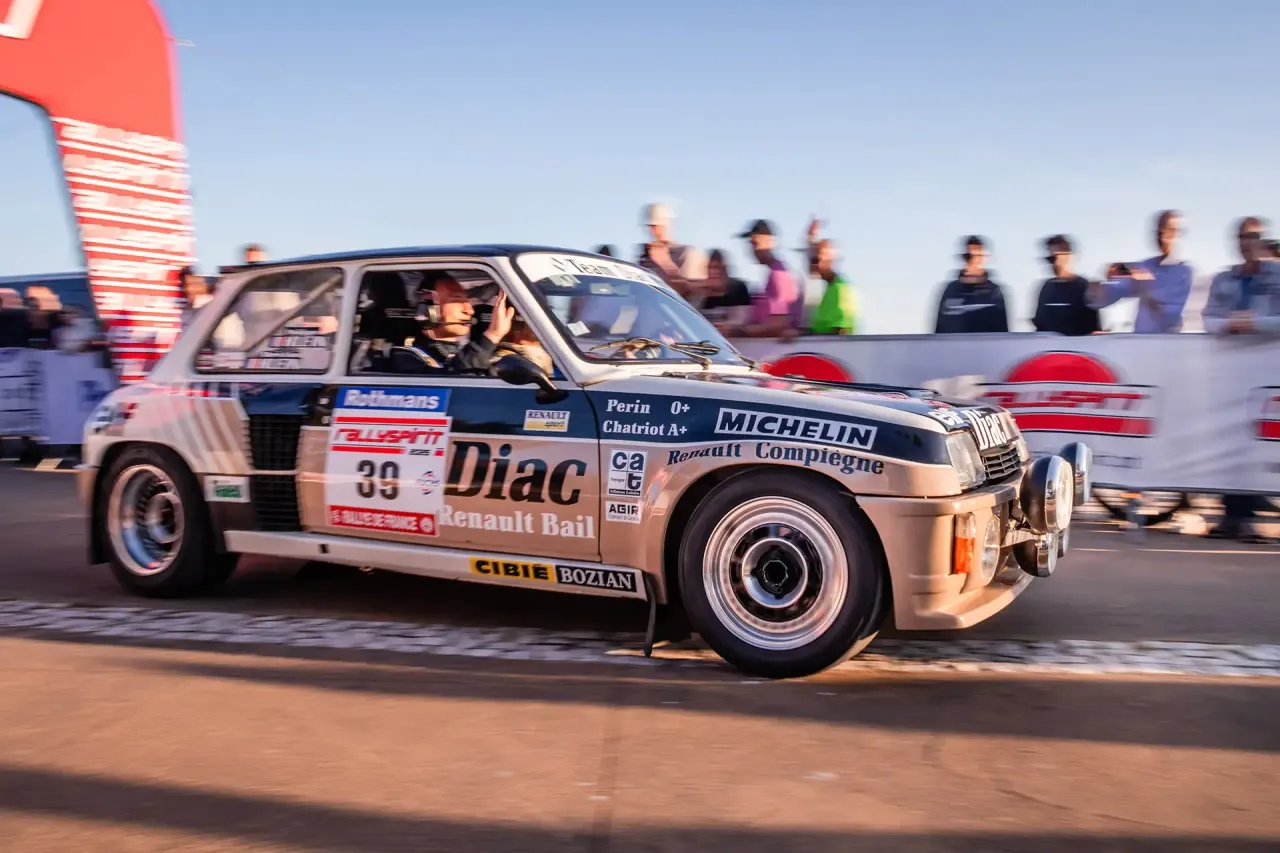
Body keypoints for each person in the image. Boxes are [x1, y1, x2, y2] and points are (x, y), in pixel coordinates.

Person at [1201, 217, 1280, 543]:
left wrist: (1255, 322)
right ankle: (1231, 517)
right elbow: (1209, 318)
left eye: (1253, 236)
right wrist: (1229, 324)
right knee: (1229, 441)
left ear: (1262, 240)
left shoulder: (1277, 275)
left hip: (1266, 372)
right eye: (1242, 237)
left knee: (1257, 442)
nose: (1247, 242)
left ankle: (1247, 517)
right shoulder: (1224, 278)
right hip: (1229, 372)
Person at [1089, 210, 1193, 333]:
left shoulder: (1186, 273)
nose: (1164, 236)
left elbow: (1170, 319)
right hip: (1141, 342)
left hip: (1173, 342)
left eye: (1171, 231)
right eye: (1161, 230)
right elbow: (1100, 299)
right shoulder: (1144, 266)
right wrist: (1099, 286)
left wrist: (1147, 290)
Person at [411, 274, 514, 373]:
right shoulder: (408, 359)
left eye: (467, 301)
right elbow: (454, 379)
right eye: (457, 300)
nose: (470, 311)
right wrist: (491, 336)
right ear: (427, 309)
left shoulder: (466, 352)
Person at [737, 219, 801, 338]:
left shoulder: (779, 276)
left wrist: (738, 331)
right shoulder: (774, 274)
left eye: (756, 243)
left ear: (771, 242)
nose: (753, 250)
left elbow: (778, 324)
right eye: (751, 244)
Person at [933, 236, 1009, 333]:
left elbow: (1003, 332)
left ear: (984, 258)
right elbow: (938, 330)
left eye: (978, 256)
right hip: (956, 343)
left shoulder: (994, 293)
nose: (973, 261)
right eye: (969, 256)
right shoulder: (950, 290)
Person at [1032, 235, 1101, 336]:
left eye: (1055, 258)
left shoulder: (1084, 287)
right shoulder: (1046, 288)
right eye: (1049, 259)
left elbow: (1094, 330)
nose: (1053, 264)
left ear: (1068, 256)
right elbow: (1040, 326)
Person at [636, 203, 705, 299]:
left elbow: (686, 293)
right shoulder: (646, 258)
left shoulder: (687, 253)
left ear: (667, 225)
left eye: (656, 226)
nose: (652, 231)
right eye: (650, 227)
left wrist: (664, 262)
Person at [804, 221, 857, 335]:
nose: (813, 265)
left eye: (816, 260)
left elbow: (840, 334)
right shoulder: (828, 289)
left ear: (830, 259)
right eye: (811, 260)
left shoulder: (840, 289)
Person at [696, 249, 752, 335]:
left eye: (718, 268)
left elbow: (742, 320)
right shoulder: (700, 292)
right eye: (710, 268)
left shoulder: (738, 288)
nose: (714, 272)